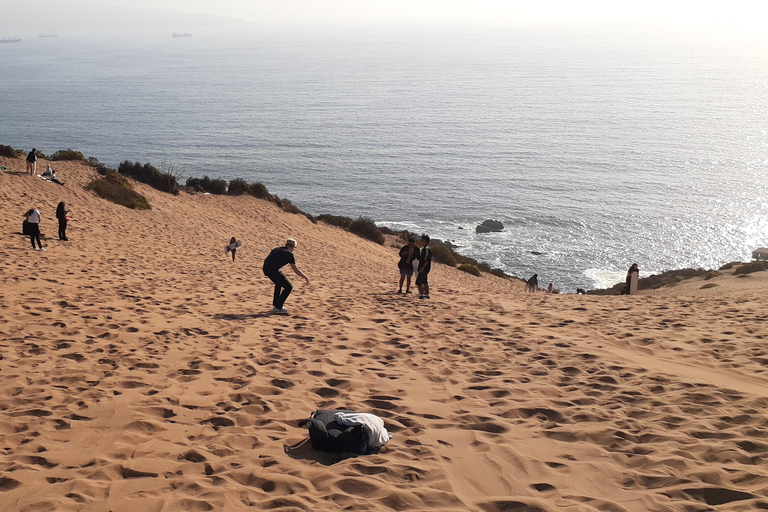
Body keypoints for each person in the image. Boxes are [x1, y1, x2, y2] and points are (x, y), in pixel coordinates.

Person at [262, 238, 309, 314]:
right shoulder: (289, 254)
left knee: (279, 283)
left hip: (266, 268)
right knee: (289, 287)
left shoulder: (277, 249)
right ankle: (278, 307)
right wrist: (305, 277)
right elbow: (296, 270)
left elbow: (266, 259)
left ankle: (276, 305)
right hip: (272, 270)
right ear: (292, 247)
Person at [416, 235, 432, 300]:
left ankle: (422, 294)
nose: (420, 242)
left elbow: (427, 259)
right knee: (424, 281)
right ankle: (427, 295)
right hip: (424, 268)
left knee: (419, 281)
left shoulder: (427, 249)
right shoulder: (424, 249)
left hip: (424, 268)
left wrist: (422, 267)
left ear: (425, 241)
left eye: (422, 240)